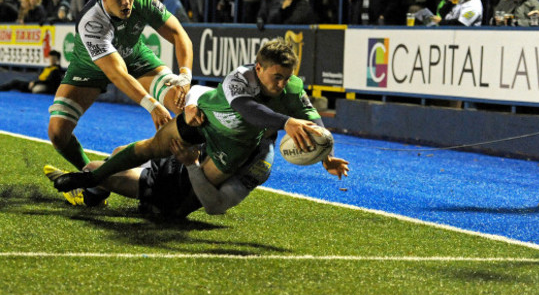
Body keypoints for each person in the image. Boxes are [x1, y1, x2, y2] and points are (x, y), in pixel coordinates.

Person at [52, 38, 349, 195]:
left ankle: (104, 187)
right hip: (203, 121)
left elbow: (314, 122)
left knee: (180, 199)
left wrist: (326, 153)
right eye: (277, 77)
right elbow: (247, 109)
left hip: (229, 146)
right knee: (149, 148)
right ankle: (90, 178)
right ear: (259, 68)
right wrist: (286, 122)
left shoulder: (292, 89)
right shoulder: (239, 78)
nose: (282, 83)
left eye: (287, 77)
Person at [47, 0, 193, 186]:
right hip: (90, 67)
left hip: (134, 55)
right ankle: (92, 177)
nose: (126, 2)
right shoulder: (92, 22)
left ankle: (200, 171)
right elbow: (117, 74)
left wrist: (185, 75)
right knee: (57, 133)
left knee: (182, 103)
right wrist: (152, 105)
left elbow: (178, 33)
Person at [45, 138, 275, 216]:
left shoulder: (260, 162)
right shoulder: (237, 117)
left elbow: (215, 207)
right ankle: (93, 192)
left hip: (172, 190)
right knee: (119, 152)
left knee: (94, 167)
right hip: (174, 165)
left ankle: (86, 194)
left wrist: (192, 166)